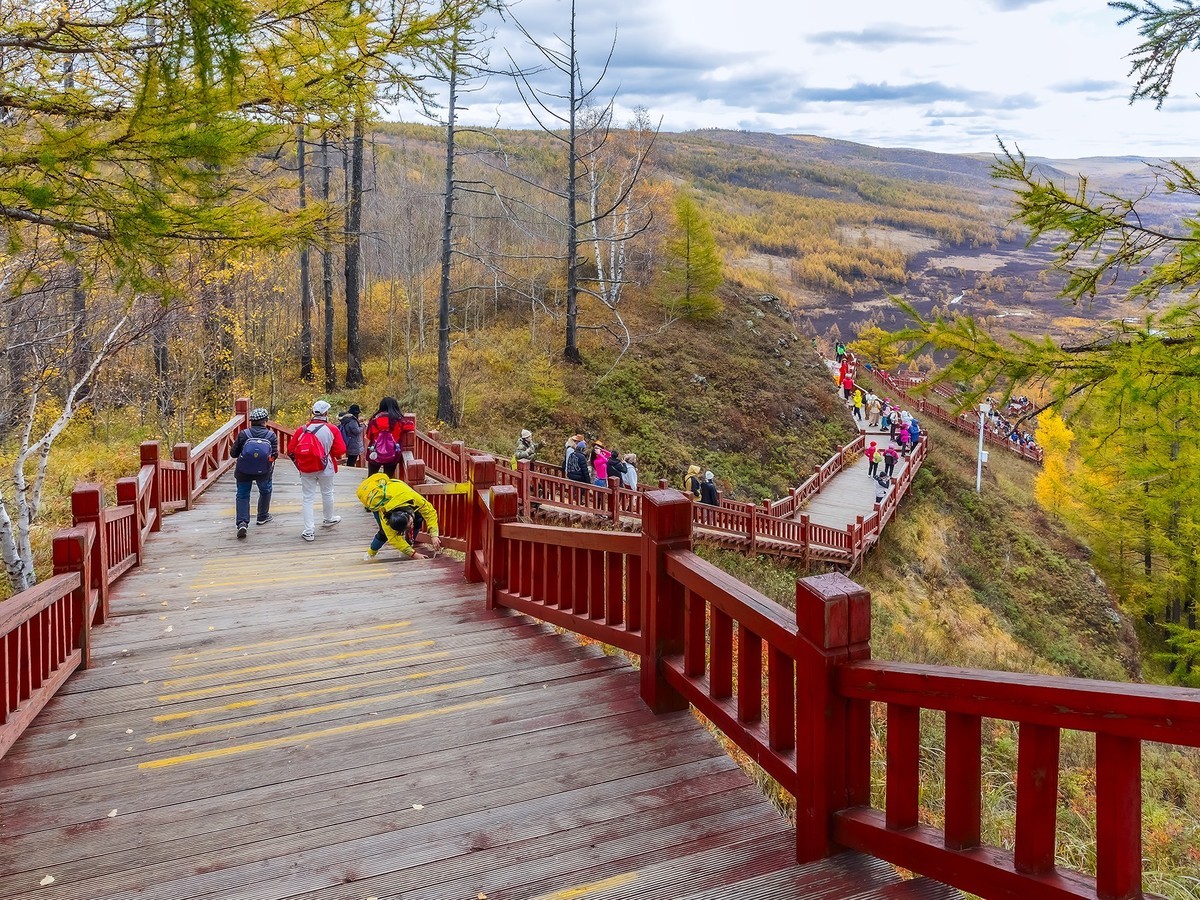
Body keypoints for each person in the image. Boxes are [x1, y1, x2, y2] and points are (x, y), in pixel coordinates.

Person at [288, 399, 347, 542]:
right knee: (327, 493)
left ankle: (308, 530)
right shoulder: (332, 429)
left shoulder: (301, 430)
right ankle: (328, 518)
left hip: (306, 468)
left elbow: (290, 450)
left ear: (313, 413)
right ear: (326, 413)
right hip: (326, 466)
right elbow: (341, 450)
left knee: (308, 497)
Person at [357, 473, 442, 561]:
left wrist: (434, 535)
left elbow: (429, 511)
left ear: (408, 513)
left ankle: (409, 544)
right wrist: (413, 554)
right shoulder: (384, 513)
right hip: (375, 497)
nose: (411, 526)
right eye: (410, 524)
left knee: (418, 518)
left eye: (410, 523)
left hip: (396, 491)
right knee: (384, 532)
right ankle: (371, 553)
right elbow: (394, 538)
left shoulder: (411, 497)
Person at [230, 407, 278, 539]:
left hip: (243, 471)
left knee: (243, 495)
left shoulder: (244, 434)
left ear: (251, 422)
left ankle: (242, 523)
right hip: (263, 471)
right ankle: (262, 516)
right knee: (265, 490)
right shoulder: (271, 436)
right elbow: (275, 454)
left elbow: (233, 454)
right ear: (265, 421)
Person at [365, 396, 406, 479]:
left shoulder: (374, 420)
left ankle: (372, 490)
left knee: (372, 477)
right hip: (393, 453)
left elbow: (369, 435)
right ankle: (386, 491)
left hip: (375, 452)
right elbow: (410, 427)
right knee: (388, 478)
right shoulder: (398, 421)